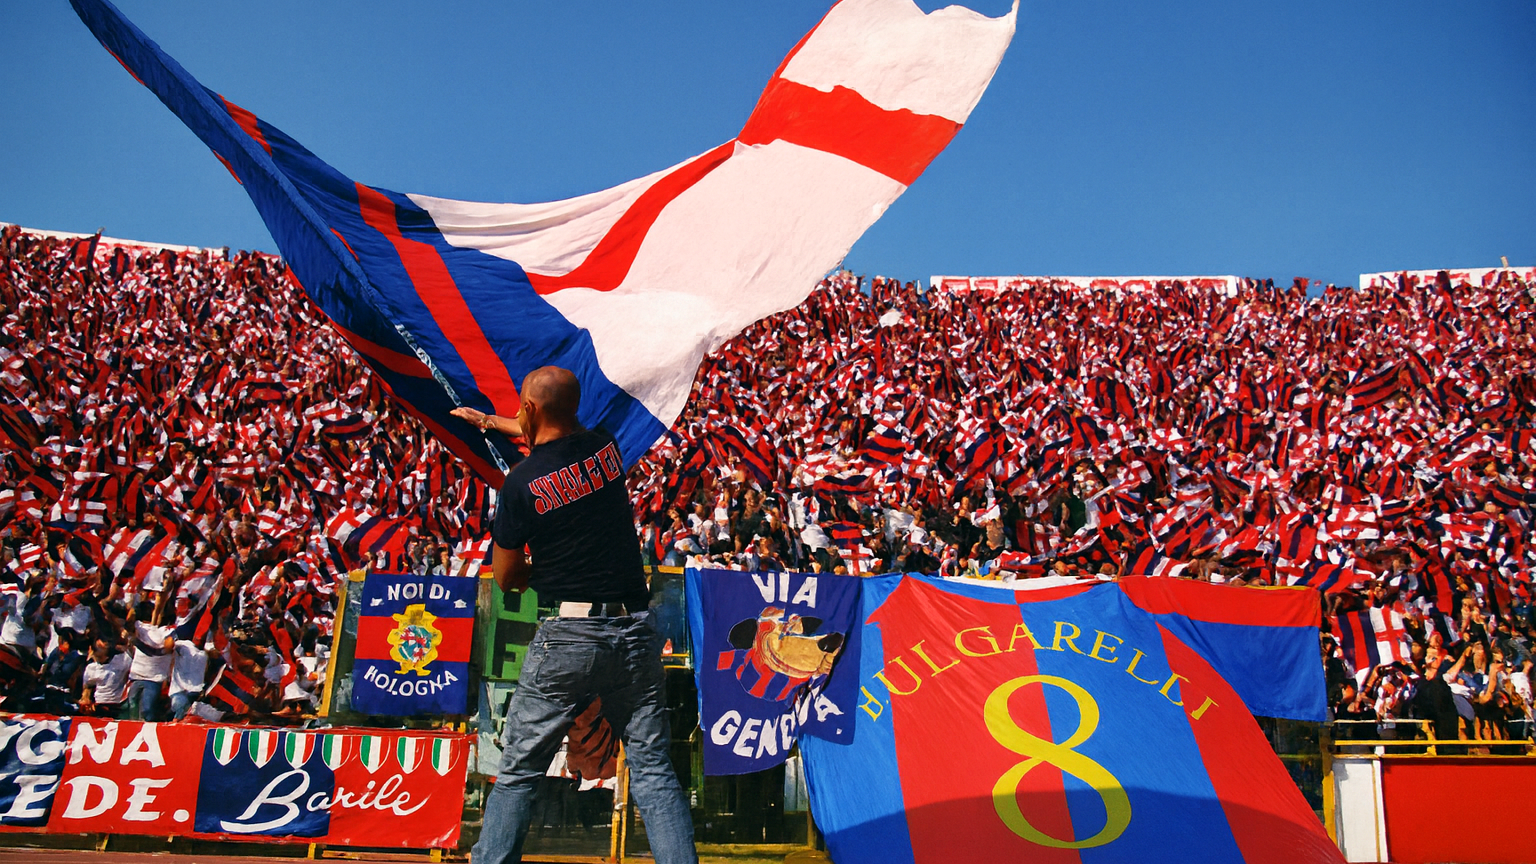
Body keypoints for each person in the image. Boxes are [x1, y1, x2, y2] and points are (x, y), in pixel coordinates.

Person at [452, 367, 695, 864]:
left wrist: (538, 564)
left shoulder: (519, 484)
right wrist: (494, 423)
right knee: (652, 770)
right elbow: (552, 426)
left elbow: (506, 579)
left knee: (520, 771)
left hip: (570, 633)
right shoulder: (604, 447)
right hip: (633, 629)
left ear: (530, 408)